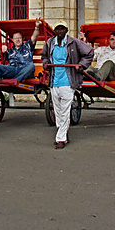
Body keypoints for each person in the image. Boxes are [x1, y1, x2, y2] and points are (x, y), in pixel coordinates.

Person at [41, 20, 94, 150]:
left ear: (66, 30)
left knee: (65, 110)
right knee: (57, 110)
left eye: (62, 29)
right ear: (54, 31)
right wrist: (46, 63)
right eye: (57, 29)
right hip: (54, 81)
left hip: (68, 81)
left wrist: (81, 64)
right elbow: (44, 56)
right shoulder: (50, 43)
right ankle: (63, 133)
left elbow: (89, 52)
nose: (60, 31)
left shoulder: (73, 42)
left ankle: (60, 139)